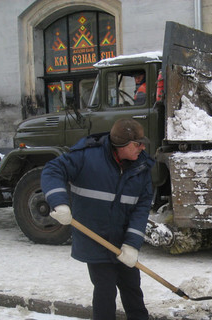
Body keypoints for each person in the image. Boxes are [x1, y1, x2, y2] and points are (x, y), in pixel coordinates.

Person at [41, 118, 154, 320]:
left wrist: (132, 245)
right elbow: (52, 170)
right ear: (121, 145)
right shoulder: (87, 157)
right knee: (105, 291)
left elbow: (141, 208)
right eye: (138, 144)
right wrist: (59, 201)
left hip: (122, 239)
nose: (143, 147)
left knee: (132, 289)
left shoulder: (142, 167)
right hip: (95, 238)